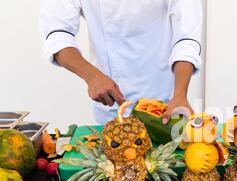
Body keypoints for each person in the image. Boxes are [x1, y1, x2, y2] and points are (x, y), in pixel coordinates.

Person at [39, 0, 202, 124]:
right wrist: (93, 76)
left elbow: (186, 37)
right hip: (110, 105)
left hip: (164, 105)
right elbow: (57, 34)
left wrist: (180, 94)